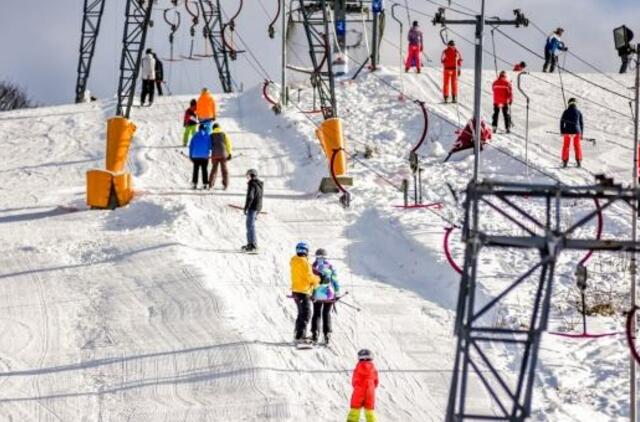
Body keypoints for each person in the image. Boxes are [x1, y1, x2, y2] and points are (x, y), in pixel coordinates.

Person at [290, 242, 319, 342]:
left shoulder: (294, 260)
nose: (302, 252)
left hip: (296, 290)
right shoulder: (304, 262)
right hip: (303, 291)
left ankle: (297, 333)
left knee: (301, 313)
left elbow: (302, 274)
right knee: (306, 313)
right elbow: (309, 276)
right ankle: (300, 336)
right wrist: (317, 279)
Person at [310, 248, 341, 345]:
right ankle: (327, 334)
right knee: (326, 313)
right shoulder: (330, 267)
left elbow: (309, 281)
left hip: (317, 294)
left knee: (316, 313)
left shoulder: (312, 266)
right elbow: (335, 281)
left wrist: (310, 293)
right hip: (329, 294)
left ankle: (315, 333)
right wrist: (337, 293)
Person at [346, 349, 379, 422]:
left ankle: (352, 420)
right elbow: (376, 382)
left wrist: (357, 387)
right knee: (369, 410)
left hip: (359, 390)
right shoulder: (373, 369)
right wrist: (371, 387)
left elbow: (354, 381)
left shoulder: (357, 369)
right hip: (370, 391)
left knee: (355, 409)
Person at [242, 169, 263, 252]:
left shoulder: (252, 184)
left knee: (250, 226)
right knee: (250, 225)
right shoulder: (259, 184)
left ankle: (253, 245)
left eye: (248, 175)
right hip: (257, 207)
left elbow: (250, 197)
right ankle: (250, 243)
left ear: (251, 175)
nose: (247, 178)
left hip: (253, 207)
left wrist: (246, 207)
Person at [560, 97, 584, 168]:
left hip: (567, 131)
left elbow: (562, 122)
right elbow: (581, 124)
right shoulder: (579, 112)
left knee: (566, 146)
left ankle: (565, 162)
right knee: (577, 146)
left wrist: (562, 131)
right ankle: (578, 161)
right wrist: (581, 134)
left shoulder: (566, 111)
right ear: (576, 104)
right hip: (577, 132)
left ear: (569, 103)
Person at [208, 123, 233, 190]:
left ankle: (211, 185)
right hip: (223, 154)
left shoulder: (211, 135)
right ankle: (225, 185)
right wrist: (229, 153)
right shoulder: (224, 134)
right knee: (224, 169)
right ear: (219, 127)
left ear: (213, 128)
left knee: (214, 169)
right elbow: (228, 144)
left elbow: (209, 146)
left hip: (215, 155)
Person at [188, 124, 211, 189]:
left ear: (199, 129)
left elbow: (191, 147)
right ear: (205, 129)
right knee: (204, 170)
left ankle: (194, 183)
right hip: (204, 156)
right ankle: (205, 183)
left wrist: (190, 156)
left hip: (195, 156)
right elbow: (210, 146)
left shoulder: (194, 136)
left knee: (196, 170)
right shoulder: (207, 136)